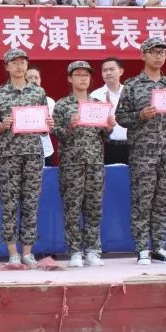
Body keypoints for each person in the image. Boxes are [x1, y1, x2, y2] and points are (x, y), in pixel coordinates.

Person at [115, 37, 166, 265]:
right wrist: (140, 115)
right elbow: (121, 117)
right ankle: (142, 249)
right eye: (154, 52)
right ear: (143, 55)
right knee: (142, 200)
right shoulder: (132, 85)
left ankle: (158, 247)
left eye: (162, 52)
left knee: (162, 200)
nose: (159, 56)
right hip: (143, 152)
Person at [0, 48, 54, 267]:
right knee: (9, 203)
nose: (19, 66)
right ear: (7, 66)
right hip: (9, 154)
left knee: (31, 202)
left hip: (33, 153)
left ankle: (27, 251)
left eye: (23, 62)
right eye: (14, 62)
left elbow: (44, 126)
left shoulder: (38, 92)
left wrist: (48, 125)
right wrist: (1, 125)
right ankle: (12, 252)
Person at [53, 61, 114, 267]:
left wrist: (109, 127)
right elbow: (56, 132)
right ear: (70, 78)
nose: (83, 78)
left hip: (95, 161)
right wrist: (70, 126)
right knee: (72, 207)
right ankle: (75, 251)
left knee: (94, 206)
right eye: (78, 75)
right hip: (71, 163)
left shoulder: (97, 104)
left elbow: (104, 136)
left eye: (86, 75)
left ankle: (93, 250)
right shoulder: (62, 105)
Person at [89, 57, 129, 164]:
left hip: (131, 145)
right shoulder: (95, 96)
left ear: (121, 71)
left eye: (112, 69)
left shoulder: (130, 93)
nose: (108, 73)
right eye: (105, 70)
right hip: (106, 146)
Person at [25, 66, 57, 166]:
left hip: (45, 150)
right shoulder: (16, 101)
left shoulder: (50, 101)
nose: (33, 80)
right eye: (30, 77)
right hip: (23, 151)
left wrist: (51, 125)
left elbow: (56, 128)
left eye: (36, 77)